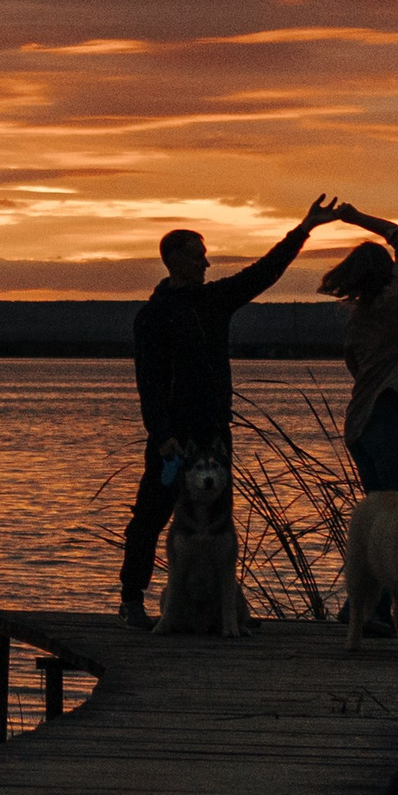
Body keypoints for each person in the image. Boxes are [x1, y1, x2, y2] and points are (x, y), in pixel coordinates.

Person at [120, 194, 331, 629]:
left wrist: (304, 228)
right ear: (175, 261)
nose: (207, 264)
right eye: (199, 257)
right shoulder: (153, 317)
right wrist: (161, 436)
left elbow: (264, 273)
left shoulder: (214, 300)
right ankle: (132, 600)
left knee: (220, 524)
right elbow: (149, 384)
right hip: (174, 438)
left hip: (215, 436)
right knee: (151, 516)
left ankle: (226, 607)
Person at [315, 199, 398, 496]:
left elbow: (374, 379)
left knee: (383, 520)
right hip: (387, 423)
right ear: (388, 270)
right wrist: (356, 217)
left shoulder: (357, 323)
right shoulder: (397, 299)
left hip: (361, 427)